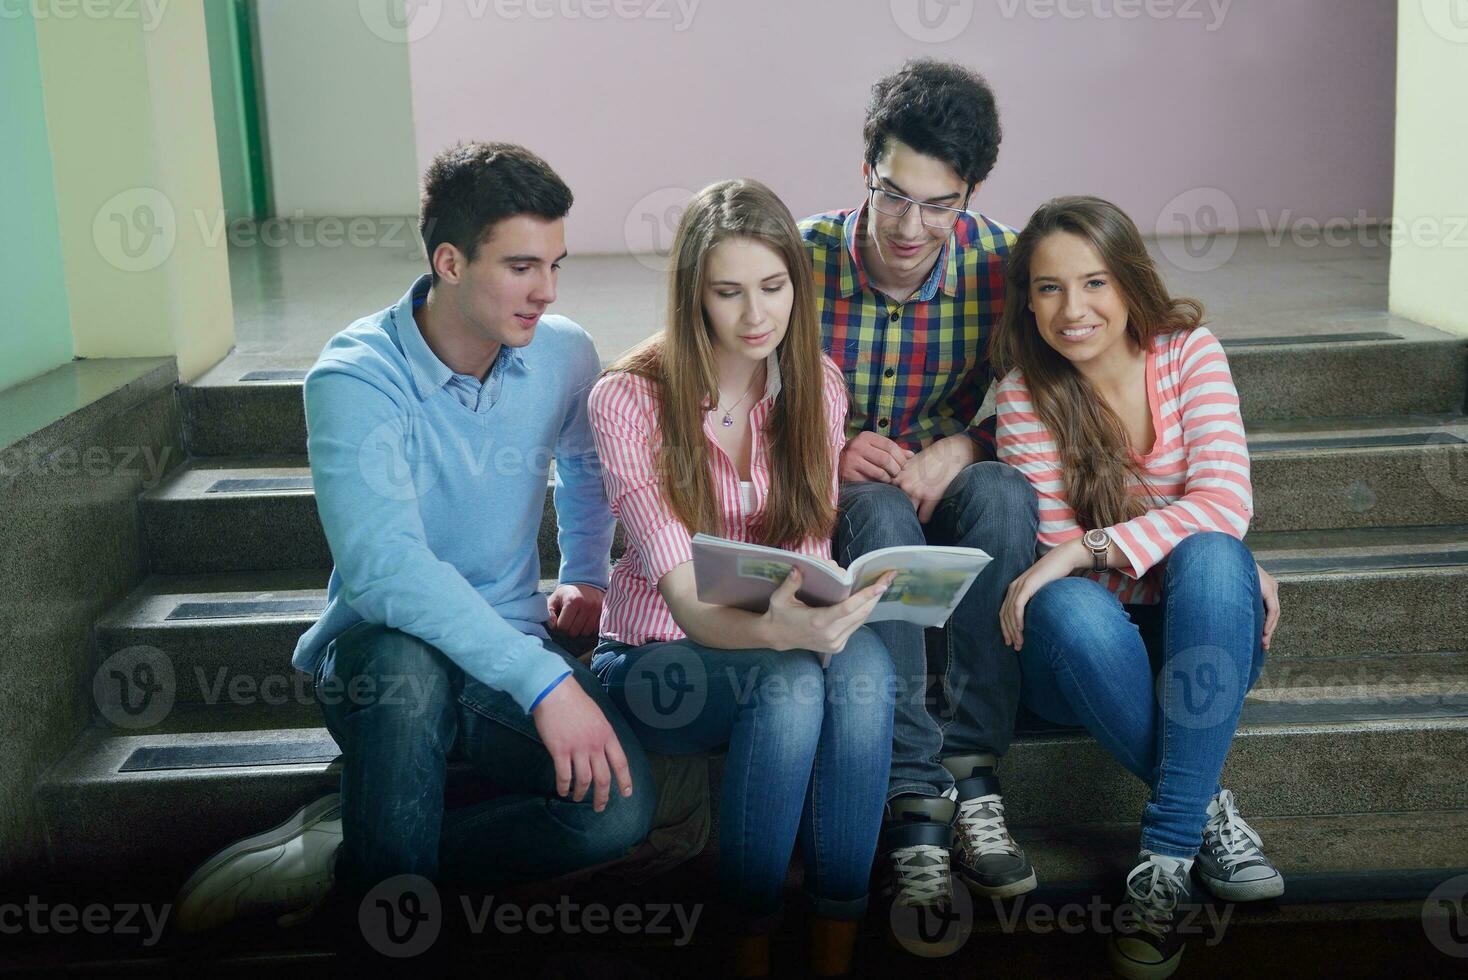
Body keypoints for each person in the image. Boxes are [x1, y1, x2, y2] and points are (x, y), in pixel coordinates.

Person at [173, 142, 654, 934]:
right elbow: (383, 569)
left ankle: (355, 851)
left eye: (556, 266)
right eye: (523, 266)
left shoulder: (563, 352)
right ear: (450, 262)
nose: (547, 291)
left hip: (500, 649)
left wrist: (586, 571)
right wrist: (541, 678)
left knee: (616, 812)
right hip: (381, 657)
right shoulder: (355, 377)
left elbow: (584, 463)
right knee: (405, 658)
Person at [588, 179, 896, 978]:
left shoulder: (817, 386)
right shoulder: (628, 399)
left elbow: (804, 550)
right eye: (729, 293)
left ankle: (836, 945)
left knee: (866, 669)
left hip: (770, 635)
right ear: (694, 294)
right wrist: (781, 632)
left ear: (797, 280)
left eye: (773, 286)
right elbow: (686, 599)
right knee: (791, 685)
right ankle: (748, 946)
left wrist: (831, 606)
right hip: (656, 654)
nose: (757, 316)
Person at [990, 196, 1284, 980]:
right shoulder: (1026, 394)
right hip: (1088, 656)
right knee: (1065, 601)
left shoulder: (1189, 352)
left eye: (1093, 283)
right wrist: (1161, 541)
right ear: (1027, 299)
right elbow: (1057, 566)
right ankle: (1205, 809)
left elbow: (1225, 502)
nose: (1073, 308)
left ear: (1129, 281)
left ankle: (1164, 859)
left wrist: (1101, 547)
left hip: (1201, 637)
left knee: (1220, 557)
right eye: (1048, 288)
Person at [798, 59, 1040, 923]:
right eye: (895, 194)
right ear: (868, 168)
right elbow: (738, 399)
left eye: (941, 204)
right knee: (875, 506)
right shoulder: (800, 257)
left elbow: (1044, 404)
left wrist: (963, 444)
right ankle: (914, 797)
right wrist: (825, 447)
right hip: (848, 504)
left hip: (955, 492)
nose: (912, 226)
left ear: (969, 194)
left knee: (1008, 494)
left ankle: (973, 775)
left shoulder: (1004, 263)